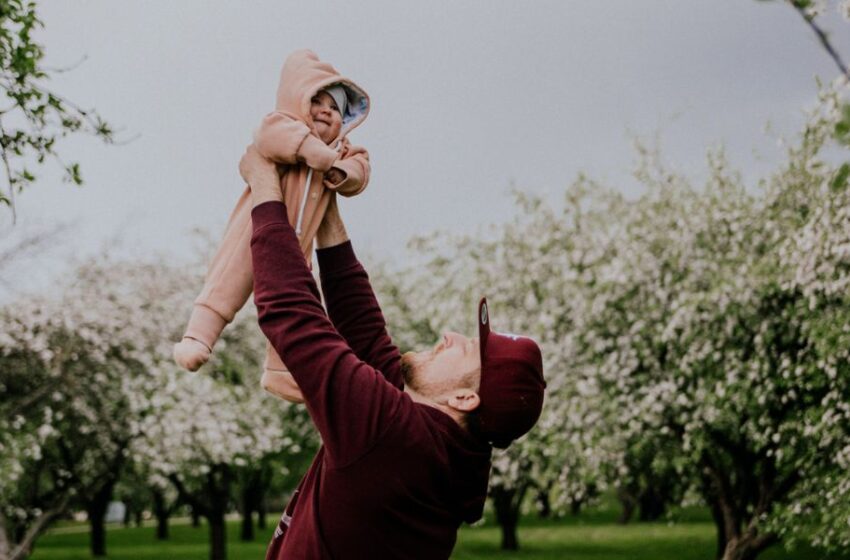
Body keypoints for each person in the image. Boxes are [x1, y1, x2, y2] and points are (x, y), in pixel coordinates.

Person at [239, 144, 547, 559]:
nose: (449, 336)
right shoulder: (446, 452)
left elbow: (291, 315)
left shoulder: (393, 439)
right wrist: (324, 200)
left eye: (468, 348)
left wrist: (263, 181)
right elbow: (367, 338)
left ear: (464, 398)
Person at [173, 50, 370, 401]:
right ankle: (197, 337)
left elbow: (359, 173)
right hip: (256, 230)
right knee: (228, 281)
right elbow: (268, 137)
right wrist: (316, 154)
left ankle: (280, 370)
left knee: (299, 304)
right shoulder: (281, 124)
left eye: (336, 109)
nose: (326, 111)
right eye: (318, 101)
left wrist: (338, 169)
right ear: (299, 100)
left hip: (298, 244)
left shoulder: (344, 151)